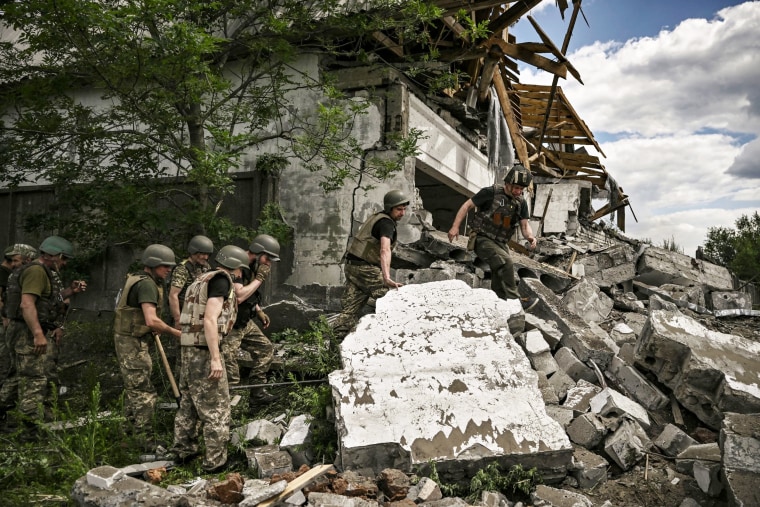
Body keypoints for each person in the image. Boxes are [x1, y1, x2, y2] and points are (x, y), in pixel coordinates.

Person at [171, 245, 246, 472]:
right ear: (234, 266)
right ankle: (215, 462)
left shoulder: (200, 278)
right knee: (216, 407)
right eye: (241, 269)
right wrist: (215, 358)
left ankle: (183, 451)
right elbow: (210, 319)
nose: (241, 273)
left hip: (188, 349)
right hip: (204, 350)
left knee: (189, 404)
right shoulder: (221, 280)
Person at [1, 236, 86, 424]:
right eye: (64, 259)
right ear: (54, 256)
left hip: (21, 329)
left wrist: (69, 292)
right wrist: (38, 334)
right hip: (27, 331)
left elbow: (44, 302)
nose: (64, 264)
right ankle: (29, 432)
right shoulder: (37, 271)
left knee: (17, 376)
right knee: (35, 379)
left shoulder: (38, 271)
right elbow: (27, 304)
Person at [447, 163, 538, 310]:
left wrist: (530, 237)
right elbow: (467, 206)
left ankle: (499, 304)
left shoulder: (521, 203)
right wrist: (455, 226)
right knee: (505, 262)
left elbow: (524, 225)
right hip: (482, 238)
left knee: (498, 272)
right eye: (516, 188)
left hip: (501, 243)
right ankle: (515, 301)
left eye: (521, 189)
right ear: (507, 184)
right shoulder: (491, 193)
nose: (518, 191)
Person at [113, 244, 181, 436]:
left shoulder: (136, 278)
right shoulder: (147, 285)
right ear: (151, 264)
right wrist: (177, 334)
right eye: (164, 266)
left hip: (131, 339)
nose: (168, 270)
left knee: (134, 390)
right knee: (144, 394)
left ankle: (127, 435)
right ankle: (145, 441)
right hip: (132, 344)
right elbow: (151, 320)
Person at [331, 189, 408, 338]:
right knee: (393, 297)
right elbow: (385, 250)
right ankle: (395, 338)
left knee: (349, 310)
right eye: (399, 209)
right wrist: (386, 278)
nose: (402, 213)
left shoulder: (376, 218)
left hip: (352, 266)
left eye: (404, 209)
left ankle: (334, 348)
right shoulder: (386, 223)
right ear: (389, 208)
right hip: (365, 269)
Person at [221, 235, 280, 405]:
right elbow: (239, 296)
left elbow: (250, 294)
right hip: (230, 324)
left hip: (244, 321)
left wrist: (258, 310)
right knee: (230, 369)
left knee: (265, 349)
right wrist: (259, 279)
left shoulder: (254, 266)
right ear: (258, 251)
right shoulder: (236, 265)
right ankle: (227, 407)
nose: (268, 263)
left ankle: (258, 394)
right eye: (267, 258)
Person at [0, 244, 37, 403]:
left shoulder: (16, 275)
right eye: (13, 260)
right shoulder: (5, 274)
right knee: (8, 365)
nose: (14, 264)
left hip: (11, 324)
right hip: (9, 324)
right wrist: (5, 319)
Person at [168, 235, 214, 329]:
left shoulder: (205, 267)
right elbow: (173, 295)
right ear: (194, 252)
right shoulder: (182, 269)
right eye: (202, 254)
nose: (206, 257)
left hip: (199, 314)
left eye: (208, 254)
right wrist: (177, 319)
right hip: (185, 314)